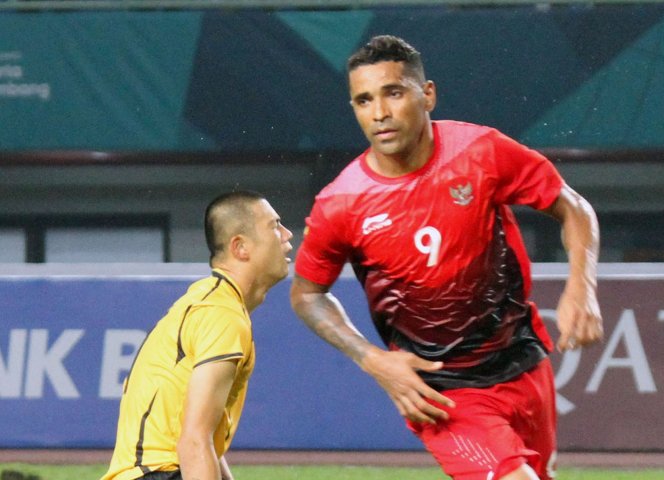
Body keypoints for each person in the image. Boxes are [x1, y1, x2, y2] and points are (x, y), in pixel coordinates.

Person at [290, 35, 603, 480]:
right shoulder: (340, 203)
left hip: (523, 362)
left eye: (393, 93)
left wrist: (582, 286)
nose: (379, 112)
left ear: (428, 94)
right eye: (363, 100)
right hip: (440, 392)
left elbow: (572, 207)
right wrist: (370, 358)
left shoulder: (483, 152)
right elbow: (306, 294)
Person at [102, 191, 293, 480]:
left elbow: (206, 442)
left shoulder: (211, 304)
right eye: (274, 225)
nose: (287, 235)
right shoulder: (222, 315)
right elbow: (193, 443)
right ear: (240, 247)